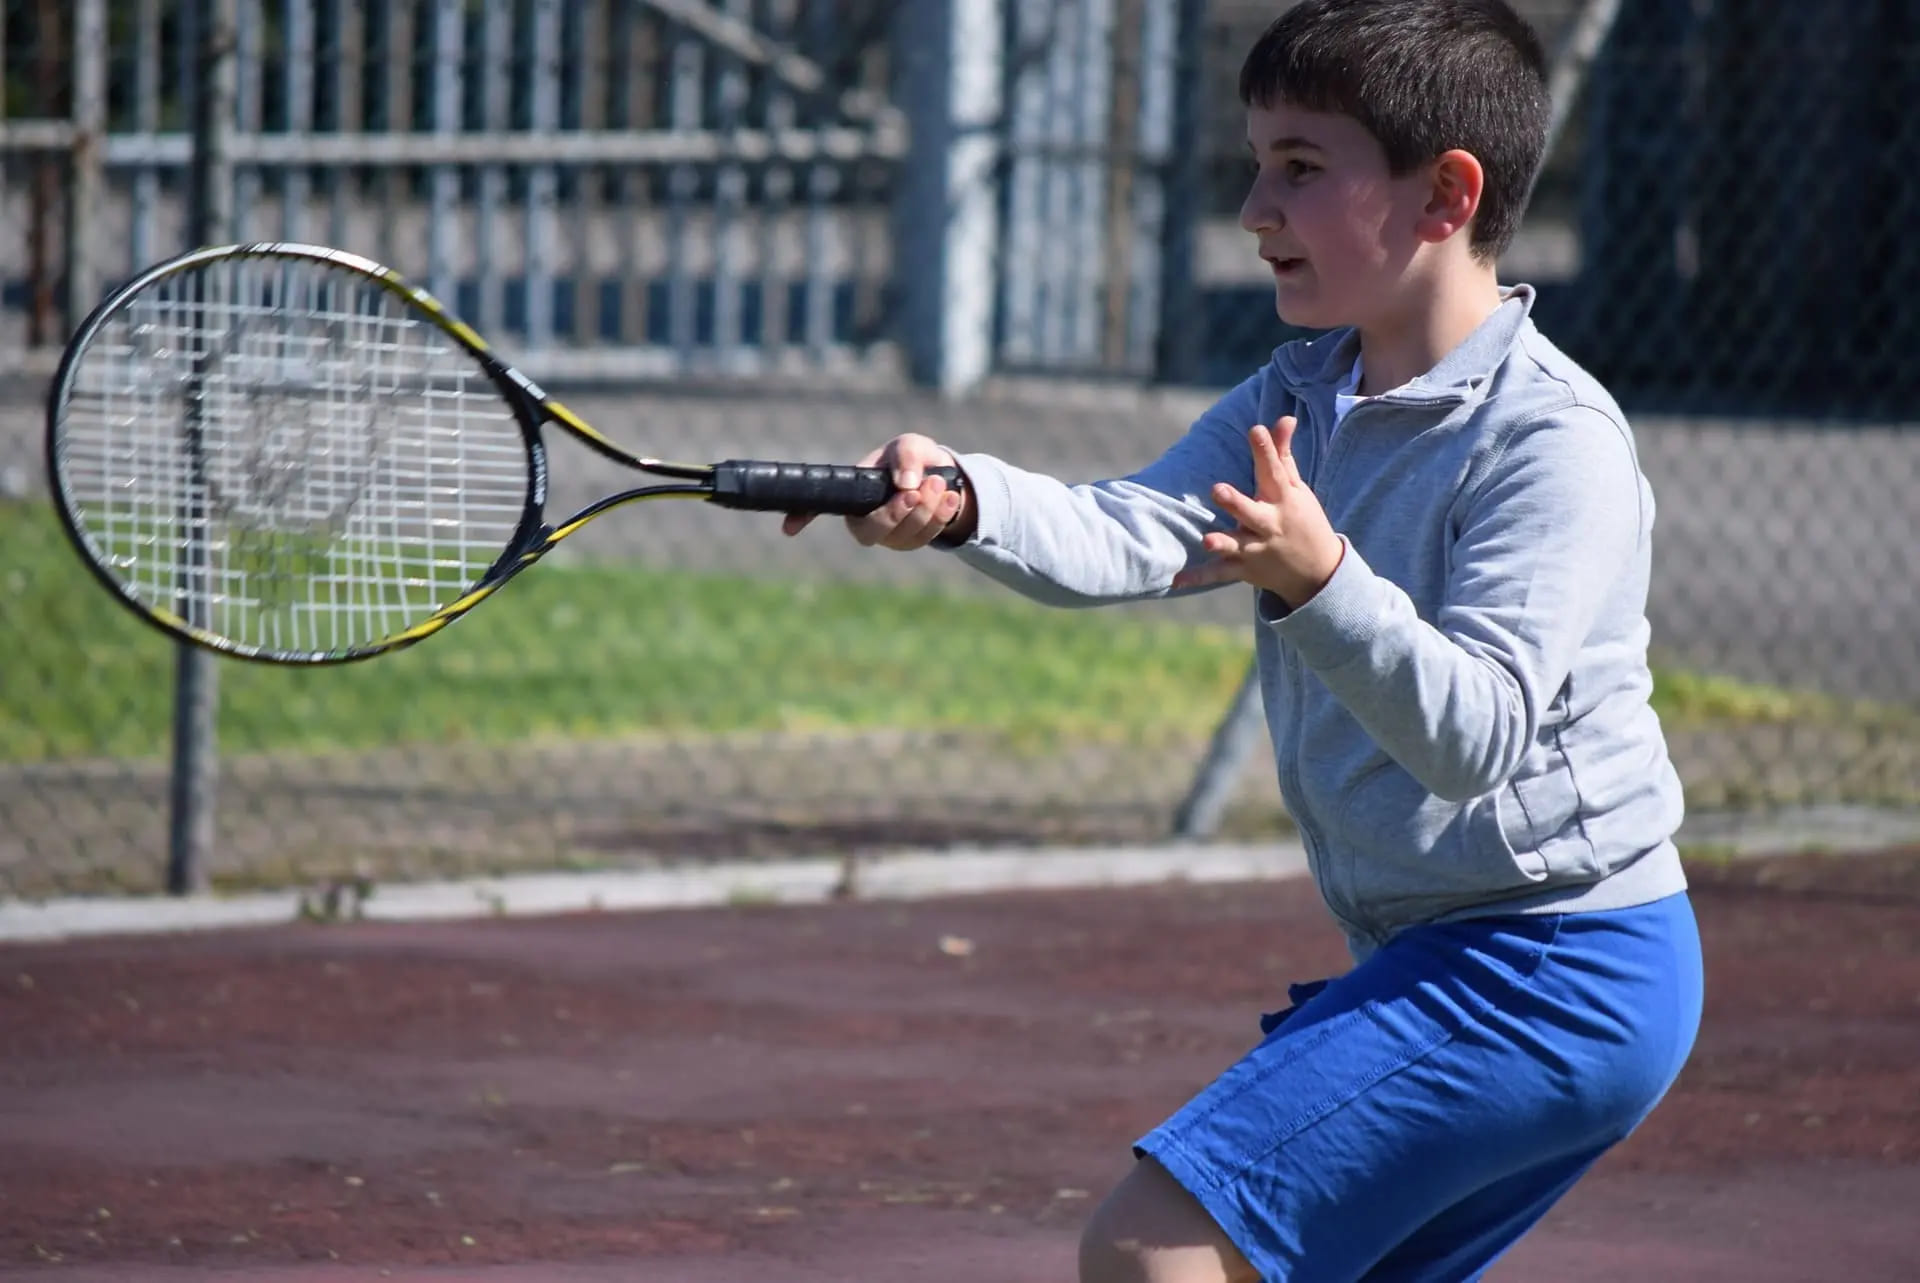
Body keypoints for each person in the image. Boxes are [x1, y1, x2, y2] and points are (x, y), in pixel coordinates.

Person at [784, 1, 1703, 1278]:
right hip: (1462, 953)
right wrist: (967, 498)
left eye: (1302, 168)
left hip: (1553, 962)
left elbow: (1480, 735)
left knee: (1155, 1247)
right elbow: (1125, 530)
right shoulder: (1300, 393)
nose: (1254, 207)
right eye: (1257, 160)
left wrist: (1320, 577)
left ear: (1446, 194)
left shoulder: (1552, 443)